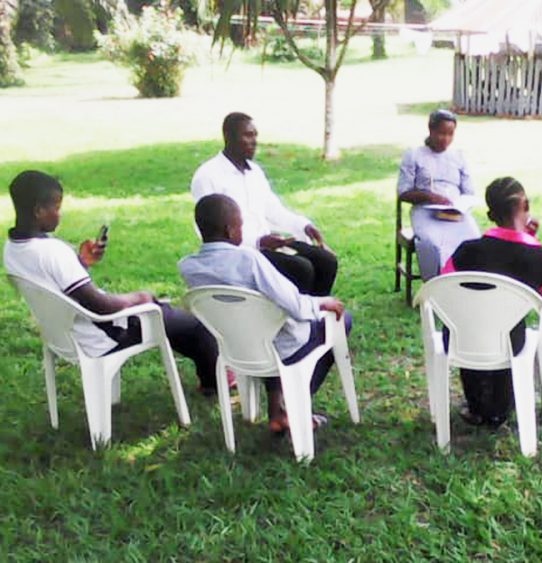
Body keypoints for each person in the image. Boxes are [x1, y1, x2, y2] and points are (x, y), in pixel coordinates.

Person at [4, 171, 221, 394]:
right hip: (102, 335)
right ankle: (213, 386)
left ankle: (205, 373)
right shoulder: (52, 251)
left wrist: (82, 262)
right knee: (195, 328)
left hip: (64, 335)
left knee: (168, 317)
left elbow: (56, 288)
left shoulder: (12, 249)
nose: (59, 214)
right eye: (56, 208)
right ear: (39, 210)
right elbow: (100, 305)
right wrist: (138, 298)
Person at [179, 194, 350, 434]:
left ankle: (277, 409)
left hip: (235, 345)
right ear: (230, 230)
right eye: (241, 225)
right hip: (277, 342)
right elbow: (295, 305)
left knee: (271, 327)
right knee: (342, 320)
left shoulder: (188, 266)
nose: (243, 230)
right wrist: (323, 302)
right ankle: (293, 404)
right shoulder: (249, 259)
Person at [441, 177, 542, 427]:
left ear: (490, 214)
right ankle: (500, 409)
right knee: (507, 323)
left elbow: (443, 285)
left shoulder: (467, 250)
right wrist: (531, 239)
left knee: (472, 324)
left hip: (462, 339)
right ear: (526, 205)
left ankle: (477, 407)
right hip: (510, 341)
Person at [191, 112, 339, 297]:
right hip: (238, 254)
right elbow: (208, 230)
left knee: (326, 260)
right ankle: (294, 319)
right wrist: (257, 241)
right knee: (301, 269)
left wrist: (304, 225)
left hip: (267, 244)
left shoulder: (255, 173)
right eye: (248, 135)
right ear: (228, 137)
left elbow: (273, 210)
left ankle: (316, 316)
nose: (254, 142)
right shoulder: (208, 175)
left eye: (255, 136)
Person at [397, 109, 481, 280]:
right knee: (431, 244)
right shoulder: (414, 155)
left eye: (450, 134)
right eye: (441, 133)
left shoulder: (458, 156)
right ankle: (434, 285)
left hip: (455, 213)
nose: (446, 139)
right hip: (426, 211)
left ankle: (466, 283)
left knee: (473, 239)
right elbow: (403, 192)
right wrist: (429, 196)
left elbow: (469, 191)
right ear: (431, 130)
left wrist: (461, 205)